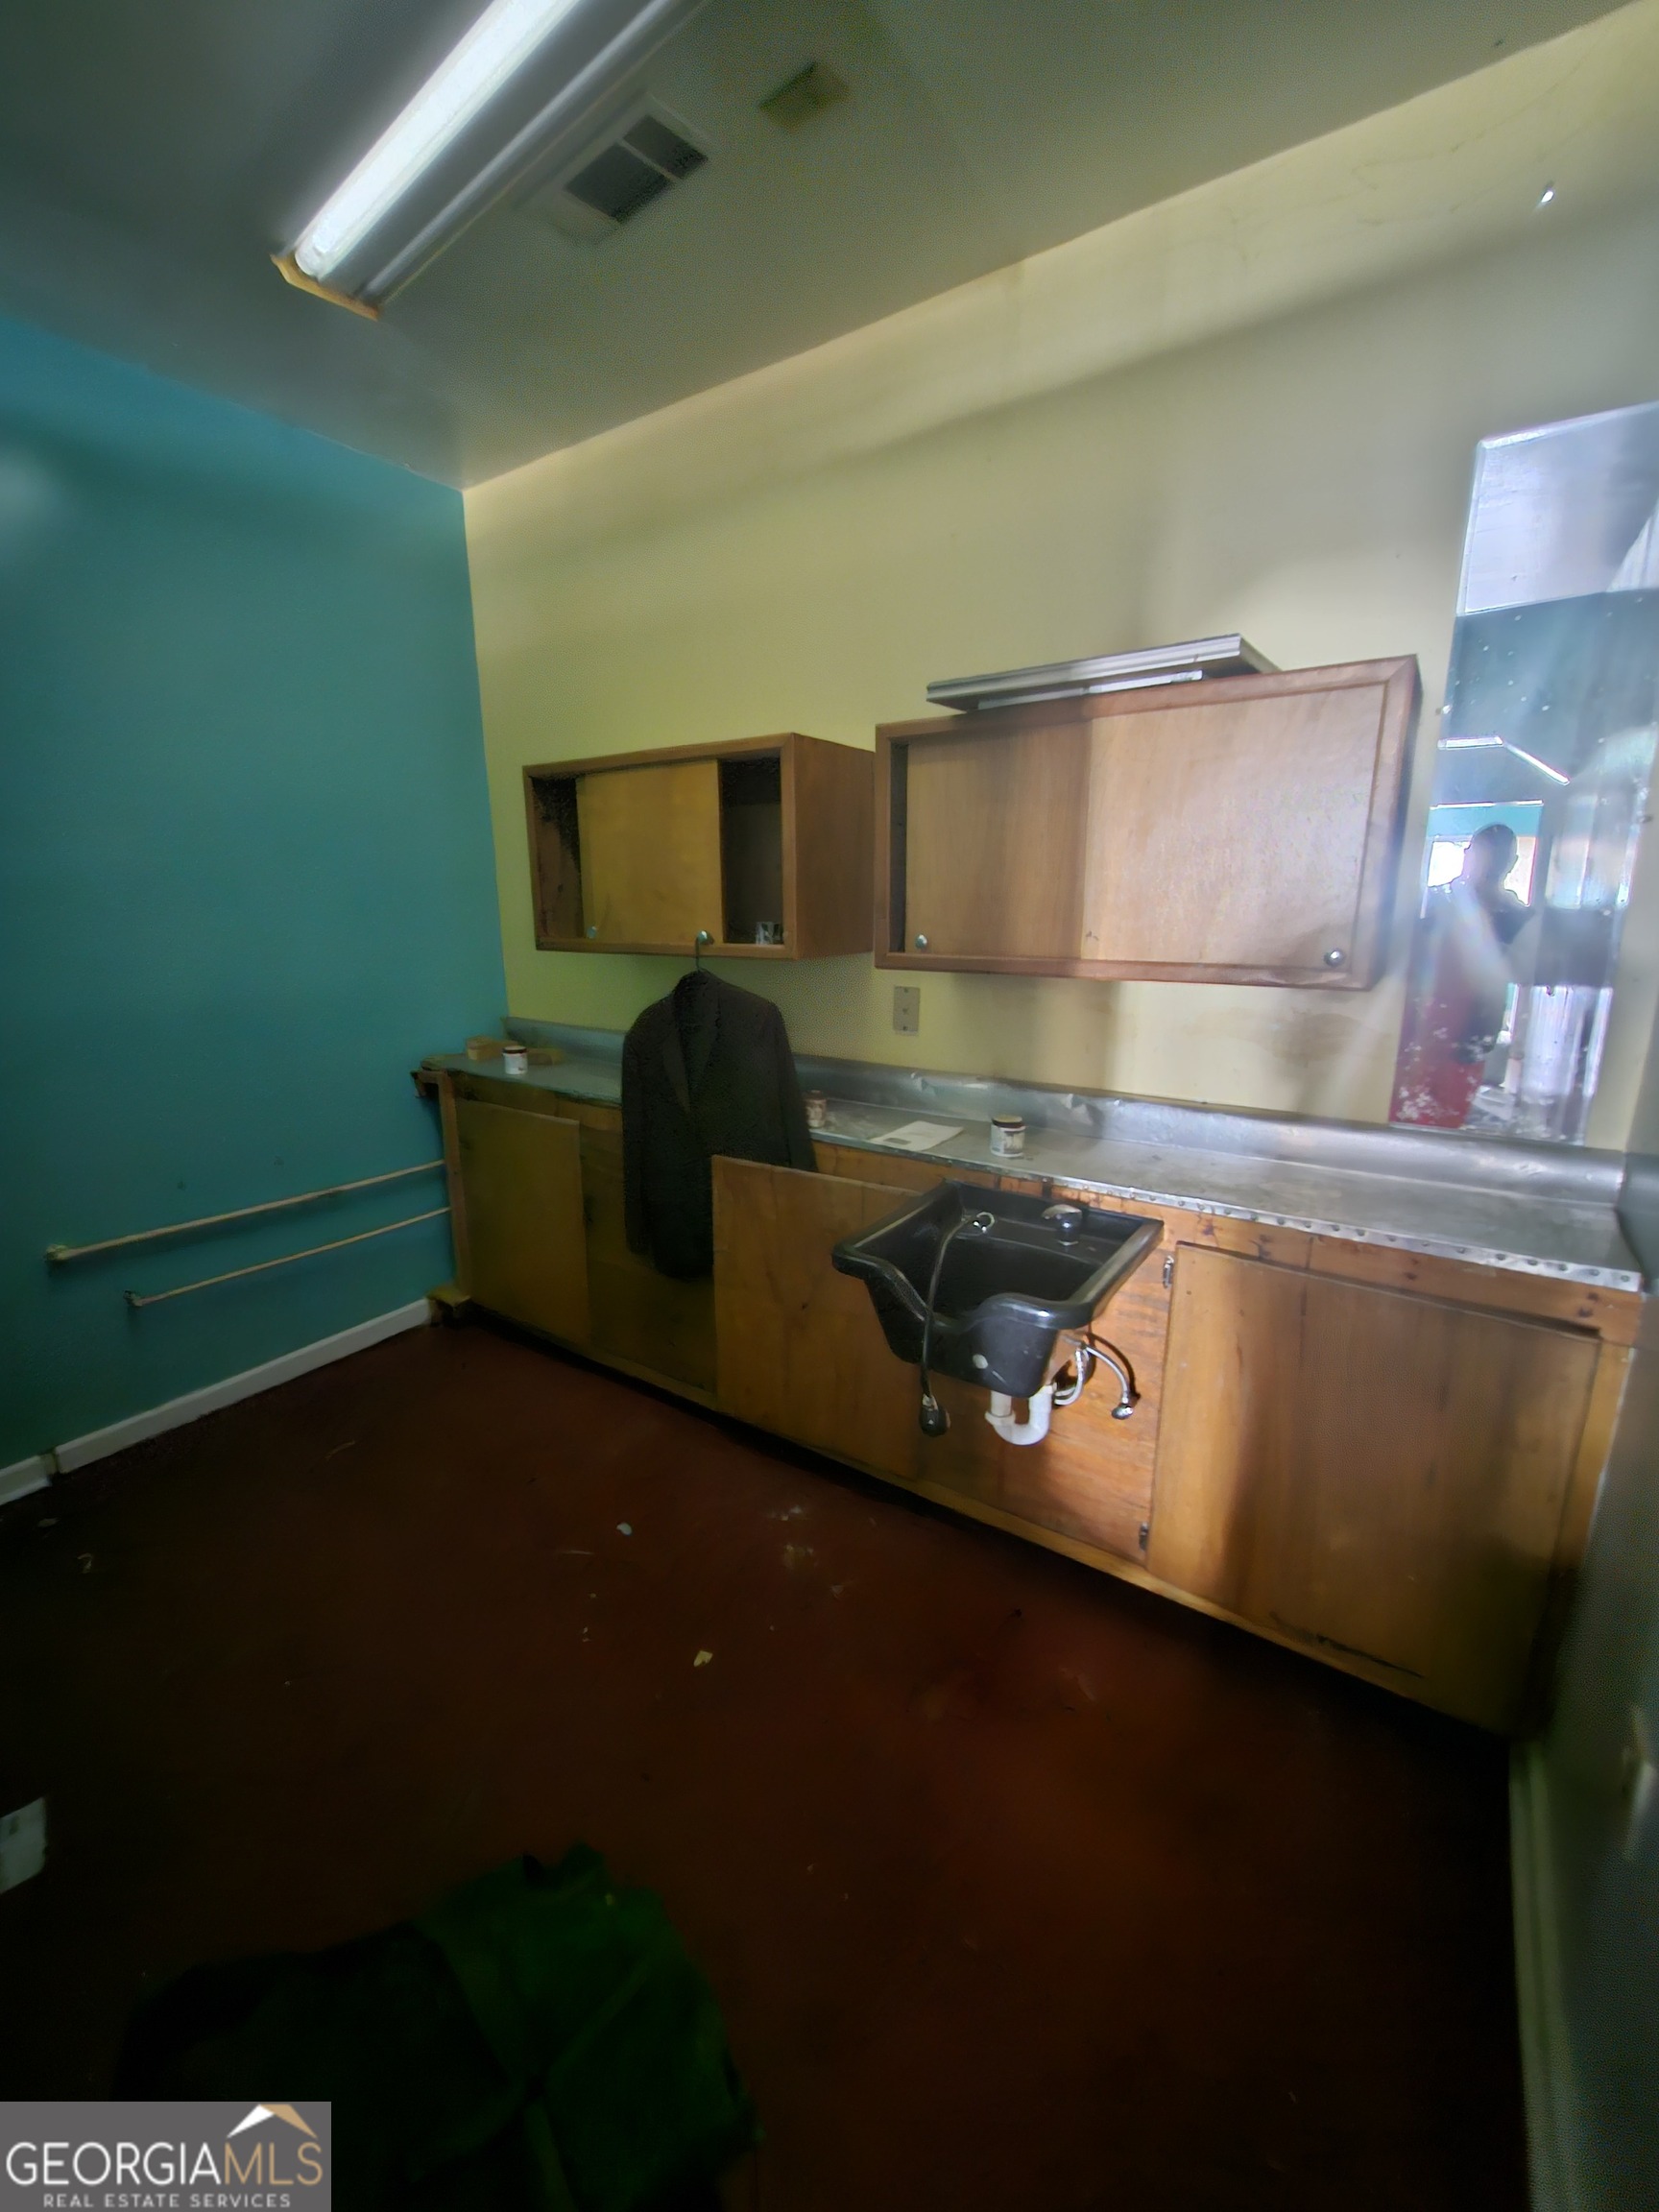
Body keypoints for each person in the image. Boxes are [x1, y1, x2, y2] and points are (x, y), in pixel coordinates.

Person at [1391, 823, 1534, 1128]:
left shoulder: (1516, 917)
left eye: (1498, 857)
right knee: (1402, 1116)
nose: (1487, 864)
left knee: (1445, 1123)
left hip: (1471, 1035)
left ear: (1511, 863)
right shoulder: (1434, 901)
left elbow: (1524, 971)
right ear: (1468, 854)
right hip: (1417, 1032)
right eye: (1481, 853)